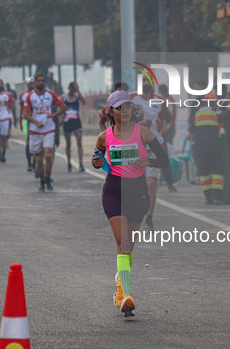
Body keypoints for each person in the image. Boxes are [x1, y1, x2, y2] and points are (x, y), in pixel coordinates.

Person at [92, 91, 168, 317]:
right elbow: (98, 161)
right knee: (123, 243)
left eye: (127, 106)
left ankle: (119, 282)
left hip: (137, 191)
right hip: (114, 190)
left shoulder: (143, 133)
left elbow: (163, 160)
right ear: (111, 111)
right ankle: (126, 295)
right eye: (119, 107)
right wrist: (96, 161)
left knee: (130, 245)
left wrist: (148, 160)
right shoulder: (103, 137)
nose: (124, 110)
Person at [130, 77, 173, 231]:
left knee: (151, 182)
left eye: (148, 81)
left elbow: (163, 119)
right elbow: (123, 120)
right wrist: (140, 124)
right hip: (136, 145)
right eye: (143, 82)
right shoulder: (131, 98)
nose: (146, 84)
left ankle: (149, 217)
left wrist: (165, 128)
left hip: (155, 144)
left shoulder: (160, 101)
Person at [22, 73, 66, 191]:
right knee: (39, 158)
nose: (41, 83)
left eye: (42, 81)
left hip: (48, 129)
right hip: (35, 131)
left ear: (44, 82)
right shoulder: (30, 97)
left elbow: (63, 107)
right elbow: (25, 114)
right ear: (35, 82)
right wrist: (36, 122)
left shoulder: (51, 95)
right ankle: (42, 180)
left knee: (48, 154)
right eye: (38, 81)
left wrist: (54, 114)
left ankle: (48, 177)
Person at [188, 93, 225, 205]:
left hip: (200, 147)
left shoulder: (198, 113)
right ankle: (217, 197)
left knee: (204, 173)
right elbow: (223, 125)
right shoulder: (216, 113)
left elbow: (193, 128)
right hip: (214, 146)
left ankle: (208, 197)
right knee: (217, 172)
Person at [61, 81, 86, 172]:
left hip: (76, 121)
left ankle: (80, 163)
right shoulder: (63, 97)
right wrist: (60, 119)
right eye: (72, 89)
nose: (73, 91)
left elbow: (84, 102)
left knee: (79, 142)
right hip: (67, 122)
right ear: (69, 88)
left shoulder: (76, 96)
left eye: (74, 89)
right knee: (68, 144)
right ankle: (69, 162)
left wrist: (78, 90)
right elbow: (60, 108)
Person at [19, 78, 36, 172]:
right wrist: (20, 122)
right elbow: (22, 108)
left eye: (33, 84)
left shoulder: (37, 94)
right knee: (28, 141)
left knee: (36, 141)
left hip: (35, 119)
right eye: (30, 84)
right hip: (26, 120)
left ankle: (34, 163)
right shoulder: (23, 95)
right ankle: (29, 163)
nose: (31, 85)